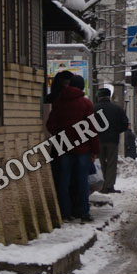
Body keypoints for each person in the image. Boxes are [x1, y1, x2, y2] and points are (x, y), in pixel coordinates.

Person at [46, 74, 99, 224]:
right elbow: (92, 128)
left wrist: (60, 135)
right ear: (81, 87)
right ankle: (83, 212)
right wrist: (94, 150)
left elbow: (50, 124)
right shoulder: (86, 104)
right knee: (82, 181)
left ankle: (65, 212)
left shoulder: (58, 102)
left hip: (63, 148)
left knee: (64, 181)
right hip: (82, 150)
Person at [45, 70, 75, 220]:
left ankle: (63, 209)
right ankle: (75, 208)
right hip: (77, 145)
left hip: (59, 143)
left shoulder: (54, 99)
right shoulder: (82, 102)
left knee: (60, 177)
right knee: (74, 178)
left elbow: (51, 124)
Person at [94, 86, 129, 194]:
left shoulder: (94, 109)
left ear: (99, 97)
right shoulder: (117, 109)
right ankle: (109, 186)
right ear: (109, 97)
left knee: (100, 163)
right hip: (112, 140)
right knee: (111, 163)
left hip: (98, 140)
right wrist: (116, 131)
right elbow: (125, 124)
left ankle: (102, 186)